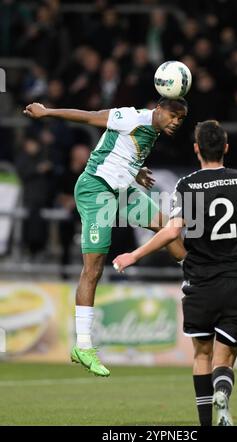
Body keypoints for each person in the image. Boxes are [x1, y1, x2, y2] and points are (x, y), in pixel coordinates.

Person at [113, 120, 237, 426]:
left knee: (202, 355)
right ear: (226, 148)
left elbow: (172, 231)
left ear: (196, 149)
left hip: (200, 285)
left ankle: (205, 422)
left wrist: (134, 255)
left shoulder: (188, 185)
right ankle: (222, 392)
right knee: (225, 358)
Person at [23, 97, 188, 377]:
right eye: (173, 115)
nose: (176, 122)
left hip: (122, 190)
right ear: (159, 109)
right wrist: (47, 112)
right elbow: (89, 116)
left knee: (170, 227)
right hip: (95, 188)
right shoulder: (132, 118)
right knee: (94, 267)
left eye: (180, 120)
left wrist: (136, 172)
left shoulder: (154, 130)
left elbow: (120, 152)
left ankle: (194, 276)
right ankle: (83, 346)